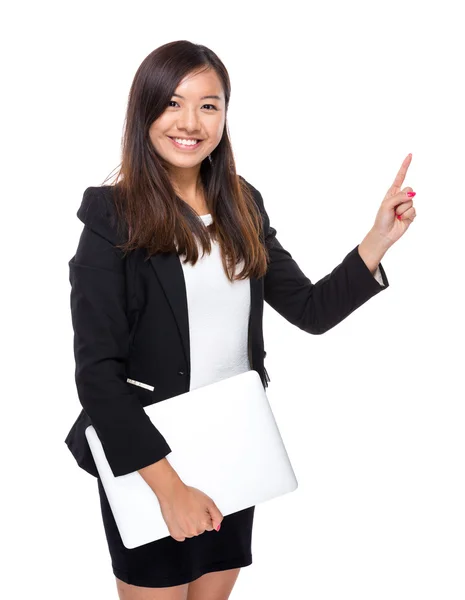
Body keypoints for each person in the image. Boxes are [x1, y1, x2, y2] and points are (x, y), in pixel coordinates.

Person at [65, 40, 417, 600]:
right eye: (173, 103)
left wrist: (377, 241)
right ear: (144, 112)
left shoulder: (241, 204)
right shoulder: (112, 215)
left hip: (233, 446)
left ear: (225, 116)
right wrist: (169, 489)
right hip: (148, 457)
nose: (190, 122)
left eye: (210, 105)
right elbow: (97, 376)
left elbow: (309, 310)